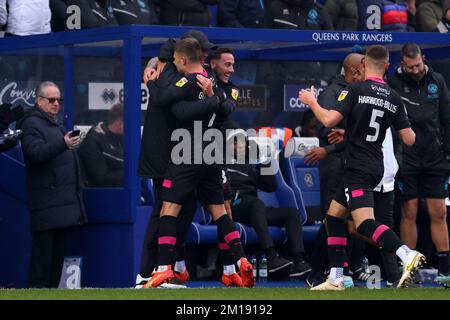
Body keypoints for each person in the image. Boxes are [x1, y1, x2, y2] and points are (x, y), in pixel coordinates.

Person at [298, 45, 424, 290]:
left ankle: (406, 254)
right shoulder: (393, 96)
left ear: (364, 63)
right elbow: (409, 139)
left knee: (364, 223)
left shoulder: (354, 89)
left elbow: (327, 120)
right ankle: (335, 277)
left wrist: (311, 101)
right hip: (374, 164)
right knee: (333, 217)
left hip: (358, 166)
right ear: (387, 66)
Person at [143, 38, 254, 289]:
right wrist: (214, 98)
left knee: (168, 210)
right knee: (220, 212)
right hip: (213, 154)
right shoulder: (215, 85)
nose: (231, 69)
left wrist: (151, 83)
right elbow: (225, 107)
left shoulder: (189, 81)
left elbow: (174, 107)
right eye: (227, 63)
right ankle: (241, 260)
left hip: (188, 151)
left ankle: (163, 269)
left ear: (182, 60)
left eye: (174, 61)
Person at [137, 30, 220, 288]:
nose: (205, 55)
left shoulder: (190, 72)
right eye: (202, 50)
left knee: (185, 210)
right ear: (183, 56)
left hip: (183, 154)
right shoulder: (172, 71)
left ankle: (168, 268)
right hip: (163, 153)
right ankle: (147, 273)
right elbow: (164, 97)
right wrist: (152, 79)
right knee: (163, 211)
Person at [388, 43, 450, 287]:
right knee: (409, 212)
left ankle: (446, 270)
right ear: (402, 62)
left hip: (435, 158)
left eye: (417, 65)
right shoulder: (394, 83)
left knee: (439, 212)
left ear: (423, 59)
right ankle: (409, 270)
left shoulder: (438, 81)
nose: (414, 70)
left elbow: (447, 119)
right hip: (408, 158)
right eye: (409, 66)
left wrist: (447, 154)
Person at [17, 81, 87, 288]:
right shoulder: (30, 123)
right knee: (42, 267)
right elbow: (36, 153)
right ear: (39, 101)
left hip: (61, 207)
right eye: (51, 100)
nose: (56, 104)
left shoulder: (54, 124)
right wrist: (63, 144)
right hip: (47, 205)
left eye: (59, 100)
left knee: (55, 265)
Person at [226, 129, 312, 279]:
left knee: (291, 213)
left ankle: (299, 261)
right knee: (256, 204)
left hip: (253, 209)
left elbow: (270, 186)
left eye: (242, 141)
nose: (239, 145)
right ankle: (271, 257)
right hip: (234, 207)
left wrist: (264, 160)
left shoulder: (252, 162)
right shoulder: (222, 162)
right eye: (235, 141)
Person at [78, 103, 124, 187]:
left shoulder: (122, 138)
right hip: (100, 194)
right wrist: (130, 173)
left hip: (120, 191)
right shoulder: (92, 141)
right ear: (120, 124)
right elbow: (101, 178)